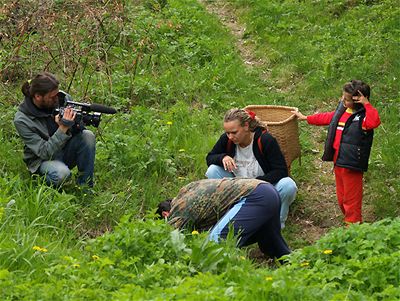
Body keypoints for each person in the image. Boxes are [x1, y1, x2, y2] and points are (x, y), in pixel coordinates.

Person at [292, 80, 381, 224]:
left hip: (352, 165)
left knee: (352, 199)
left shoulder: (363, 117)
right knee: (342, 198)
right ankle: (349, 221)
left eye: (346, 99)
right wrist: (306, 118)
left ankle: (354, 228)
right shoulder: (343, 112)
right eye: (343, 97)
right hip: (338, 162)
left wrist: (367, 104)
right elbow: (327, 117)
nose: (342, 101)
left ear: (358, 101)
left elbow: (374, 122)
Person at [205, 108, 297, 228]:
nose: (230, 137)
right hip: (238, 187)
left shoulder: (265, 140)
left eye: (234, 132)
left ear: (246, 126)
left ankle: (277, 222)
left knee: (288, 185)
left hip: (263, 187)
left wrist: (257, 183)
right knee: (212, 170)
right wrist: (223, 157)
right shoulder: (227, 140)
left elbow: (281, 171)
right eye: (228, 133)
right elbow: (210, 157)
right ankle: (227, 211)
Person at [157, 178, 291, 260]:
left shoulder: (180, 208)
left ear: (165, 214)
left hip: (255, 196)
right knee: (273, 243)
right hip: (267, 190)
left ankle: (224, 282)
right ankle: (296, 264)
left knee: (214, 245)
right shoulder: (188, 189)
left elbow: (171, 239)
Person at [14, 72, 96, 188]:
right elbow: (44, 152)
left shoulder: (62, 99)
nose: (57, 99)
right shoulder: (22, 120)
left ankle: (85, 186)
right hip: (42, 161)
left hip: (63, 150)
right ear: (38, 96)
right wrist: (62, 128)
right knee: (62, 174)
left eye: (57, 94)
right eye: (52, 97)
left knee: (87, 136)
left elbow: (75, 129)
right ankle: (44, 181)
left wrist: (75, 123)